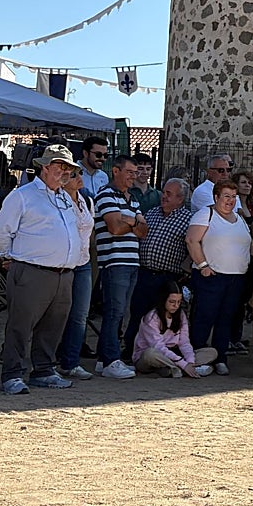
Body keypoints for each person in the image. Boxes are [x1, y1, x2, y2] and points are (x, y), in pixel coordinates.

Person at [0, 145, 84, 394]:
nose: (65, 172)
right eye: (60, 167)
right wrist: (7, 256)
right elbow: (3, 231)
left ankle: (44, 370)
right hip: (32, 271)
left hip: (63, 273)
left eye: (69, 168)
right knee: (20, 325)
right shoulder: (22, 196)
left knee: (53, 325)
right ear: (44, 168)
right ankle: (12, 374)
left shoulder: (64, 197)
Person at [123, 178, 194, 362]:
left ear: (180, 199)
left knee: (162, 318)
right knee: (137, 314)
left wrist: (184, 275)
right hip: (144, 273)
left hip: (167, 277)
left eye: (169, 194)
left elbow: (193, 247)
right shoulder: (152, 213)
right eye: (164, 192)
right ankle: (131, 352)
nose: (164, 196)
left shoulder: (188, 220)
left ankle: (164, 354)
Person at [186, 179, 253, 376]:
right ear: (216, 197)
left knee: (226, 318)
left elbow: (248, 244)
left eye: (233, 197)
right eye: (226, 196)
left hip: (236, 278)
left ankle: (220, 357)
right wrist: (203, 266)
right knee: (204, 317)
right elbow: (192, 240)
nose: (230, 201)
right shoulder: (205, 214)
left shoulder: (239, 219)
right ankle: (197, 356)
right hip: (211, 277)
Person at [94, 155, 147, 380]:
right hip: (114, 261)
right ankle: (110, 361)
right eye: (130, 172)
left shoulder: (132, 198)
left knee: (119, 312)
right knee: (114, 312)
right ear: (116, 171)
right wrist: (134, 223)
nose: (134, 177)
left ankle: (101, 359)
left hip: (131, 261)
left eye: (136, 173)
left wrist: (131, 222)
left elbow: (144, 231)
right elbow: (115, 228)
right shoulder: (106, 194)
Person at [56, 164, 97, 380]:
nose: (78, 177)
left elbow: (90, 234)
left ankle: (70, 362)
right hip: (62, 264)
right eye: (73, 175)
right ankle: (49, 360)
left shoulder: (86, 200)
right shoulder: (57, 201)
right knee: (56, 315)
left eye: (79, 173)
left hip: (82, 264)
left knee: (80, 315)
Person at [131, 283, 216, 377]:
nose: (176, 306)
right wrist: (183, 364)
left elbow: (184, 343)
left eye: (179, 302)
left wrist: (190, 362)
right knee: (150, 354)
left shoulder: (180, 314)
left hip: (174, 353)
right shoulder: (151, 318)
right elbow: (158, 346)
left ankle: (175, 369)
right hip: (155, 355)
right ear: (163, 300)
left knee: (211, 352)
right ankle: (182, 369)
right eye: (172, 302)